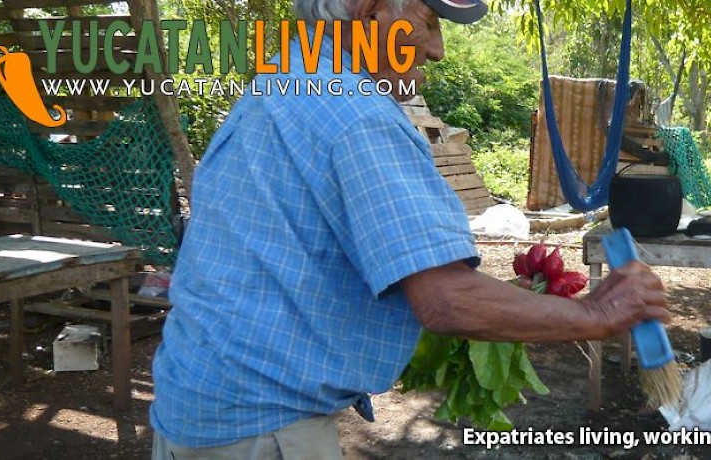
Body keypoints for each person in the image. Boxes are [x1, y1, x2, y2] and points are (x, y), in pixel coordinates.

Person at [149, 0, 670, 458]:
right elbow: (446, 300)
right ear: (371, 11)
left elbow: (301, 255)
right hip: (257, 429)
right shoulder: (359, 116)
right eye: (428, 22)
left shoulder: (280, 85)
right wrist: (597, 312)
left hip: (195, 403)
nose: (438, 50)